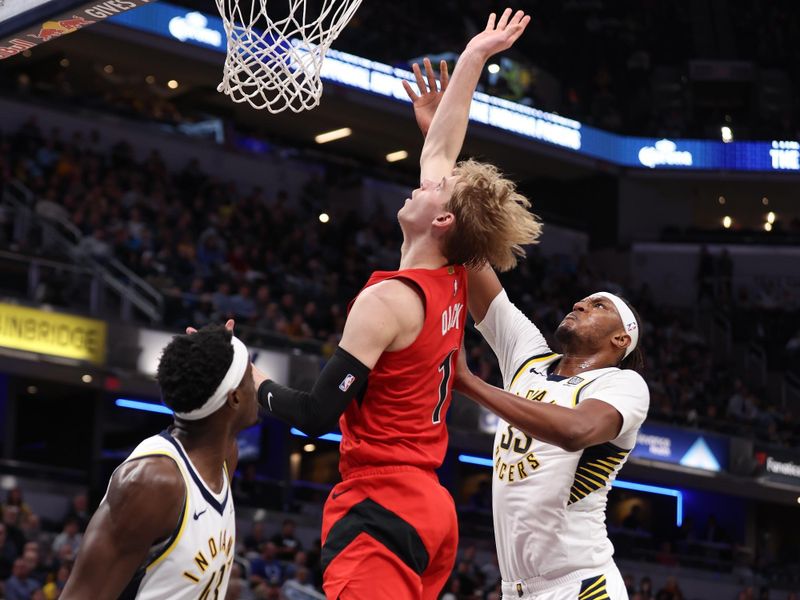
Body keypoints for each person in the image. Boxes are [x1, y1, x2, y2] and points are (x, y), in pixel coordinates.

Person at [255, 10, 538, 599]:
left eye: (436, 186)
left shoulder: (388, 301)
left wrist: (251, 379)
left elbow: (312, 416)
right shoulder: (456, 276)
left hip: (381, 504)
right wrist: (473, 58)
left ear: (441, 219)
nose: (426, 175)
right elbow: (441, 148)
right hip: (430, 510)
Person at [451, 265, 650, 599]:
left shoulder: (623, 384)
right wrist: (461, 217)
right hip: (515, 590)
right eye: (583, 301)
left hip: (581, 587)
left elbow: (575, 430)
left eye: (599, 306)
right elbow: (474, 264)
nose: (580, 305)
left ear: (621, 339)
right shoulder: (527, 361)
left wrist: (470, 384)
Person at [62, 323, 259, 599]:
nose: (258, 384)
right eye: (251, 377)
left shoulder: (225, 456)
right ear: (235, 398)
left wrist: (210, 350)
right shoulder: (151, 484)